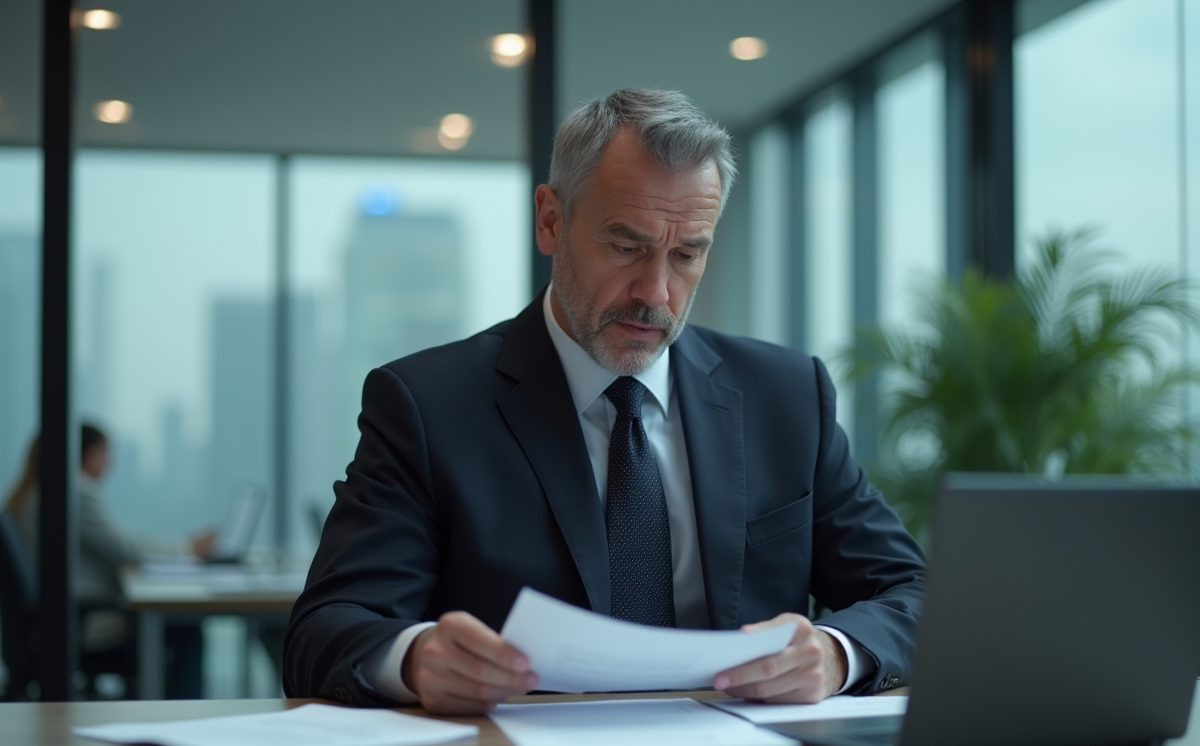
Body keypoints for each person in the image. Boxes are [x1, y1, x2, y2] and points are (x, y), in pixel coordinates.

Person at [284, 89, 926, 714]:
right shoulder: (428, 405)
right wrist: (417, 657)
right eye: (627, 246)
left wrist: (838, 653)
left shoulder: (784, 396)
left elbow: (914, 591)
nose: (656, 292)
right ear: (551, 220)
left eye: (686, 254)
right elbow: (325, 629)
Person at [4, 424, 215, 697]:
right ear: (91, 455)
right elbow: (128, 549)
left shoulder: (37, 493)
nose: (111, 463)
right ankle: (184, 718)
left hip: (65, 616)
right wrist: (188, 547)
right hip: (86, 621)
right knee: (186, 630)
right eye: (107, 453)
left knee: (181, 626)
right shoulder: (74, 492)